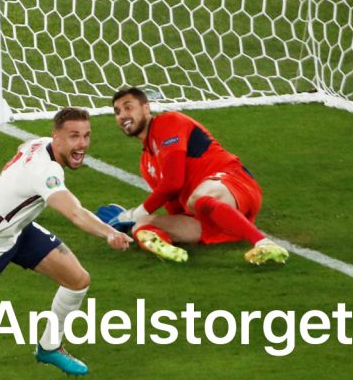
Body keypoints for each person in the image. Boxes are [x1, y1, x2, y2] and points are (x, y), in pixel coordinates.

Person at [0, 108, 132, 377]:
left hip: (19, 231)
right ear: (56, 138)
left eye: (86, 136)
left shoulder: (39, 144)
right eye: (74, 137)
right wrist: (109, 233)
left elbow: (21, 150)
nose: (82, 144)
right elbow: (74, 212)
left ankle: (49, 347)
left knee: (78, 280)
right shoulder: (46, 172)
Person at [110, 87, 289, 265]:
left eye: (128, 107)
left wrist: (136, 212)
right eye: (117, 112)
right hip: (211, 214)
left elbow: (173, 183)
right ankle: (168, 247)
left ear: (146, 107)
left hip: (233, 182)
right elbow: (176, 209)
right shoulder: (146, 164)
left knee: (197, 199)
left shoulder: (168, 122)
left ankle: (264, 243)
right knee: (141, 225)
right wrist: (133, 221)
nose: (123, 115)